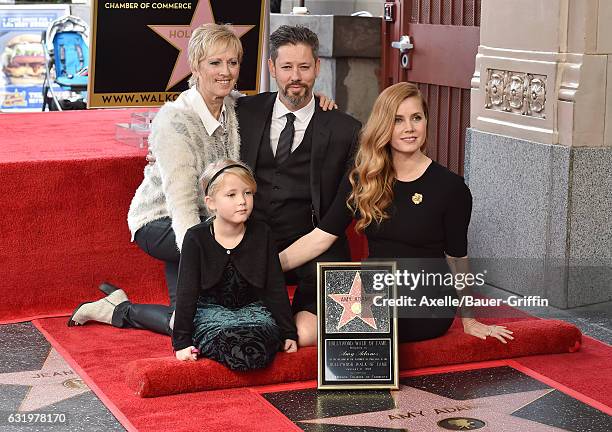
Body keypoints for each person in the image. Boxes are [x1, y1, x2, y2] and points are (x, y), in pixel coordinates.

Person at [279, 82, 515, 344]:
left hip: (425, 299)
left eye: (416, 118)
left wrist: (469, 318)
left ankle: (372, 361)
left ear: (426, 121)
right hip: (374, 289)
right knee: (304, 331)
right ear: (384, 126)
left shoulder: (451, 187)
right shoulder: (364, 178)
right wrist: (266, 266)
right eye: (398, 120)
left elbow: (457, 257)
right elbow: (321, 237)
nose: (409, 128)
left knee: (359, 319)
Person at [68, 23, 243, 332]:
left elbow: (275, 104)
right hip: (160, 220)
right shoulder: (175, 120)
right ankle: (120, 312)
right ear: (196, 67)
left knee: (185, 324)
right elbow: (180, 202)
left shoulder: (234, 106)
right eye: (215, 62)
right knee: (202, 311)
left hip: (206, 220)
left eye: (232, 62)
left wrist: (319, 100)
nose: (225, 71)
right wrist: (207, 250)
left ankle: (113, 308)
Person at [236, 25, 361, 347]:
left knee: (306, 335)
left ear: (317, 67)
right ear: (272, 68)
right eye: (287, 67)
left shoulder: (346, 129)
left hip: (315, 242)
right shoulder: (243, 112)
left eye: (304, 67)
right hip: (251, 237)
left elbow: (344, 207)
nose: (296, 76)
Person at [173, 159, 297, 370]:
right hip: (211, 312)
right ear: (211, 202)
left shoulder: (262, 233)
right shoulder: (196, 238)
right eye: (231, 195)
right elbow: (187, 292)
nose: (242, 201)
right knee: (234, 346)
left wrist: (288, 333)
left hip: (252, 311)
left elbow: (274, 287)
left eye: (248, 193)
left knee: (255, 348)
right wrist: (182, 343)